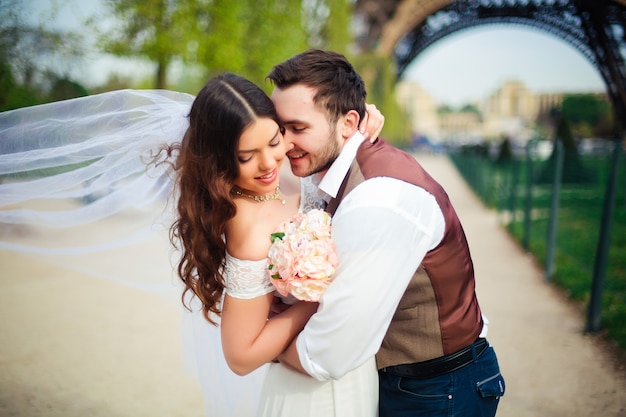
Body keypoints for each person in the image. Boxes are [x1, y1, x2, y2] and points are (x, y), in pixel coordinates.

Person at [266, 49, 506, 417]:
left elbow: (328, 353)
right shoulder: (336, 167)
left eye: (298, 128)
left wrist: (259, 342)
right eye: (279, 129)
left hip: (439, 393)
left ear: (348, 124)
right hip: (417, 385)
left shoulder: (377, 200)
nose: (284, 143)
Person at [161, 72, 380, 416]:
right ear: (218, 159)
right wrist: (318, 298)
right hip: (307, 391)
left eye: (274, 141)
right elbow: (241, 355)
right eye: (246, 156)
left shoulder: (291, 168)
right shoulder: (248, 230)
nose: (268, 163)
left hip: (354, 369)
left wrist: (359, 126)